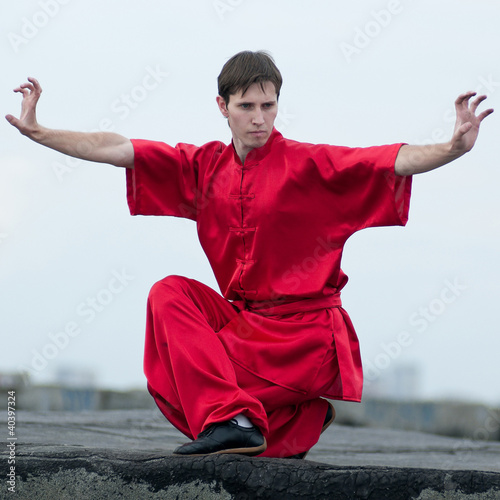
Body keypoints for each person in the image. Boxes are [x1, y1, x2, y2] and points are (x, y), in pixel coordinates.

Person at [6, 51, 493, 458]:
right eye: (247, 106)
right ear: (223, 106)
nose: (259, 117)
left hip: (304, 339)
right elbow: (120, 147)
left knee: (194, 385)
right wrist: (41, 133)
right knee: (168, 298)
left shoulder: (312, 165)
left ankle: (251, 420)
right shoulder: (202, 167)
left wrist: (453, 147)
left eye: (269, 105)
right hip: (246, 326)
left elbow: (391, 159)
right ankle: (291, 421)